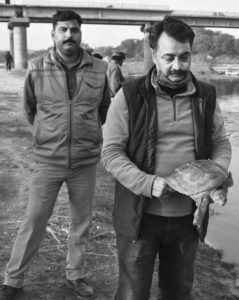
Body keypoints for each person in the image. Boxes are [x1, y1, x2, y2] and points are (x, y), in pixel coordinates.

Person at [101, 16, 232, 300]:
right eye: (169, 57)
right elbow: (111, 153)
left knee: (177, 293)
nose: (177, 66)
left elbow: (221, 141)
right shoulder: (129, 95)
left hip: (188, 219)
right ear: (154, 54)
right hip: (140, 217)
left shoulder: (206, 95)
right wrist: (149, 184)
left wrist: (217, 174)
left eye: (184, 57)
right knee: (132, 294)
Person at [0, 10, 110, 300]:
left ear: (80, 34)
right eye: (63, 30)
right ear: (53, 34)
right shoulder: (36, 67)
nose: (69, 35)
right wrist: (47, 134)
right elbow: (29, 109)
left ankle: (75, 275)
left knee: (81, 222)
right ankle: (13, 280)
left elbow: (103, 109)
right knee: (34, 219)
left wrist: (85, 134)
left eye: (74, 30)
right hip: (47, 160)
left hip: (85, 162)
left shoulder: (100, 69)